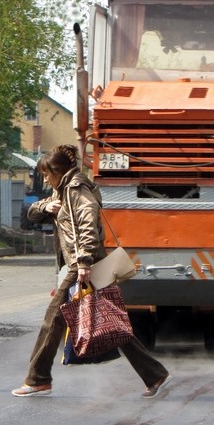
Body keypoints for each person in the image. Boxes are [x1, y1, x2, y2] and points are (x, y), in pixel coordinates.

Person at [12, 144, 171, 399]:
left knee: (52, 321)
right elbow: (32, 213)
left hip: (84, 265)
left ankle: (38, 379)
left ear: (57, 171)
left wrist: (83, 262)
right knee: (112, 322)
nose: (44, 179)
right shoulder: (61, 191)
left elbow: (88, 224)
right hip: (87, 265)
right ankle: (154, 374)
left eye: (46, 174)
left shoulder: (76, 188)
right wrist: (46, 208)